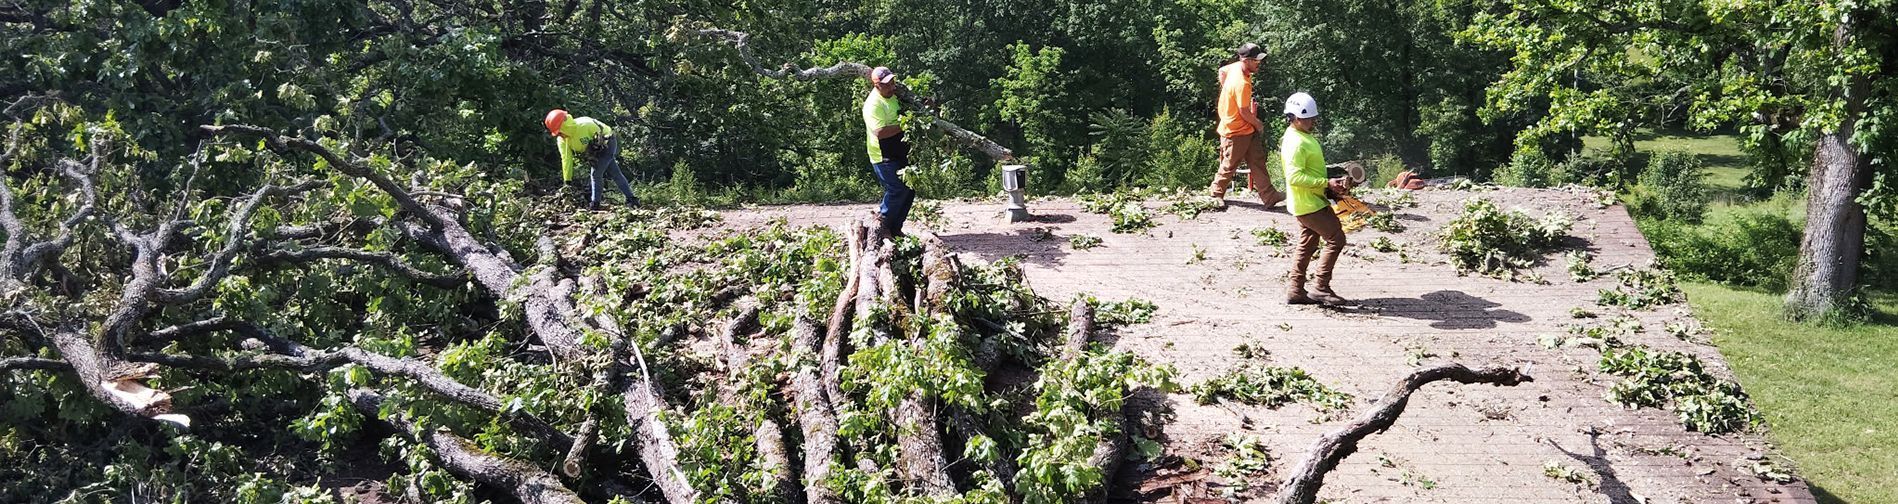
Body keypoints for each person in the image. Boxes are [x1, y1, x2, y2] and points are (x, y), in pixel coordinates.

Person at [1280, 92, 1354, 305]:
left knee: (1308, 243)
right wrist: (1326, 183)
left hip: (1306, 202)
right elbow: (1294, 177)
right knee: (1336, 239)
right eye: (1309, 118)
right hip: (1309, 204)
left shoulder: (1300, 135)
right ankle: (1321, 286)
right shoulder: (1295, 142)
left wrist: (1330, 180)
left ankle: (1295, 289)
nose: (1313, 121)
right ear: (1295, 117)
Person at [1209, 43, 1286, 209]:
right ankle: (1216, 194)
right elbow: (1244, 111)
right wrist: (1258, 123)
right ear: (1247, 60)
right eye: (1256, 61)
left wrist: (1226, 92)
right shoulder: (1242, 83)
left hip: (1245, 128)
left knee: (1257, 161)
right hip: (1235, 130)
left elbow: (1221, 71)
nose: (1259, 63)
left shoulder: (1235, 67)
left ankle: (1270, 196)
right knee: (1230, 164)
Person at [544, 109, 639, 210]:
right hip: (595, 150)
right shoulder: (562, 140)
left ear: (565, 126)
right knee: (615, 173)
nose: (559, 135)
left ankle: (595, 204)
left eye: (559, 131)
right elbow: (566, 159)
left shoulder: (585, 125)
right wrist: (567, 181)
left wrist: (597, 149)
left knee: (595, 174)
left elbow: (606, 136)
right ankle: (632, 200)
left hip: (608, 143)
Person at [863, 66, 915, 237]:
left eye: (892, 82)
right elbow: (880, 131)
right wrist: (905, 124)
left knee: (909, 190)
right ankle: (881, 226)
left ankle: (895, 229)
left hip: (899, 150)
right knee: (896, 189)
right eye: (887, 84)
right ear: (877, 86)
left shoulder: (895, 94)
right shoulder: (873, 104)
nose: (892, 86)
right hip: (882, 155)